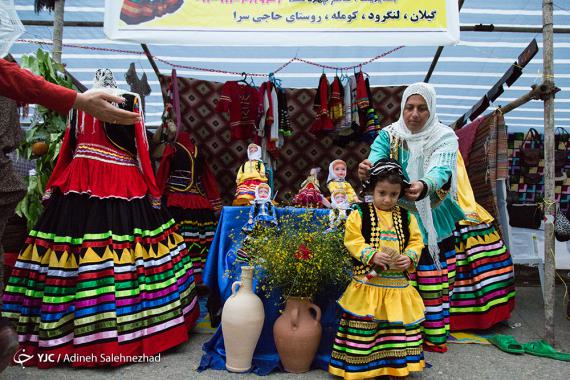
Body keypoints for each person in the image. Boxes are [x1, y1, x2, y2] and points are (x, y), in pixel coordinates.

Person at [1, 69, 199, 368]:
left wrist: (55, 183)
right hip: (121, 180)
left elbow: (69, 146)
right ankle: (125, 330)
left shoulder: (78, 105)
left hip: (80, 179)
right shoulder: (128, 101)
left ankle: (68, 330)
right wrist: (152, 188)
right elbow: (142, 149)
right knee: (129, 254)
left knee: (70, 254)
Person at [358, 82, 515, 350]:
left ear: (431, 110)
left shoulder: (444, 136)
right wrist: (367, 168)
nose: (414, 114)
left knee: (431, 280)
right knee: (396, 276)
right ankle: (396, 338)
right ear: (402, 108)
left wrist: (424, 185)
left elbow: (441, 170)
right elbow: (377, 159)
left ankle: (431, 336)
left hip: (433, 215)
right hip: (394, 216)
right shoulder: (389, 134)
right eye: (409, 107)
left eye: (422, 108)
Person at [329, 159, 425, 379]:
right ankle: (363, 368)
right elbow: (352, 240)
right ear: (372, 188)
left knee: (394, 328)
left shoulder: (406, 216)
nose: (387, 199)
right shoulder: (360, 213)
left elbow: (416, 242)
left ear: (400, 193)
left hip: (397, 285)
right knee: (367, 327)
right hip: (368, 283)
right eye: (382, 192)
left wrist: (409, 257)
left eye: (393, 194)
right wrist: (371, 255)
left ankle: (394, 366)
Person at [155, 131, 222, 284]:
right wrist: (215, 201)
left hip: (179, 201)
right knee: (200, 238)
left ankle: (183, 275)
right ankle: (199, 276)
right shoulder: (195, 151)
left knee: (181, 238)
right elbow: (208, 179)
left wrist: (156, 196)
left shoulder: (172, 149)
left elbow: (162, 173)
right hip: (197, 201)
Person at [0, 58, 140, 125]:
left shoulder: (131, 99)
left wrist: (80, 101)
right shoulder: (79, 108)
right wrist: (80, 101)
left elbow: (13, 78)